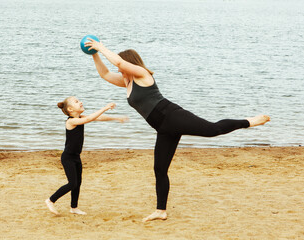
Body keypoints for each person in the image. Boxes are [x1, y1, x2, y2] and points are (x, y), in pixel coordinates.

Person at [85, 39, 270, 222]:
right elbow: (105, 74)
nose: (118, 69)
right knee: (159, 169)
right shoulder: (127, 81)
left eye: (122, 65)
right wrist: (95, 55)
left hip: (172, 116)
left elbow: (117, 62)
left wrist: (101, 47)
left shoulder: (142, 74)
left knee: (212, 129)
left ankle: (249, 121)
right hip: (163, 128)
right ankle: (161, 211)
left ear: (129, 62)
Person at [46, 96, 128, 216]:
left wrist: (115, 118)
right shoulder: (71, 121)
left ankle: (74, 207)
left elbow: (98, 118)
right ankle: (50, 200)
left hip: (76, 157)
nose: (81, 102)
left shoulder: (80, 117)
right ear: (70, 109)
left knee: (78, 183)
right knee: (72, 183)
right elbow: (90, 118)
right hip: (68, 157)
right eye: (77, 102)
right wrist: (105, 107)